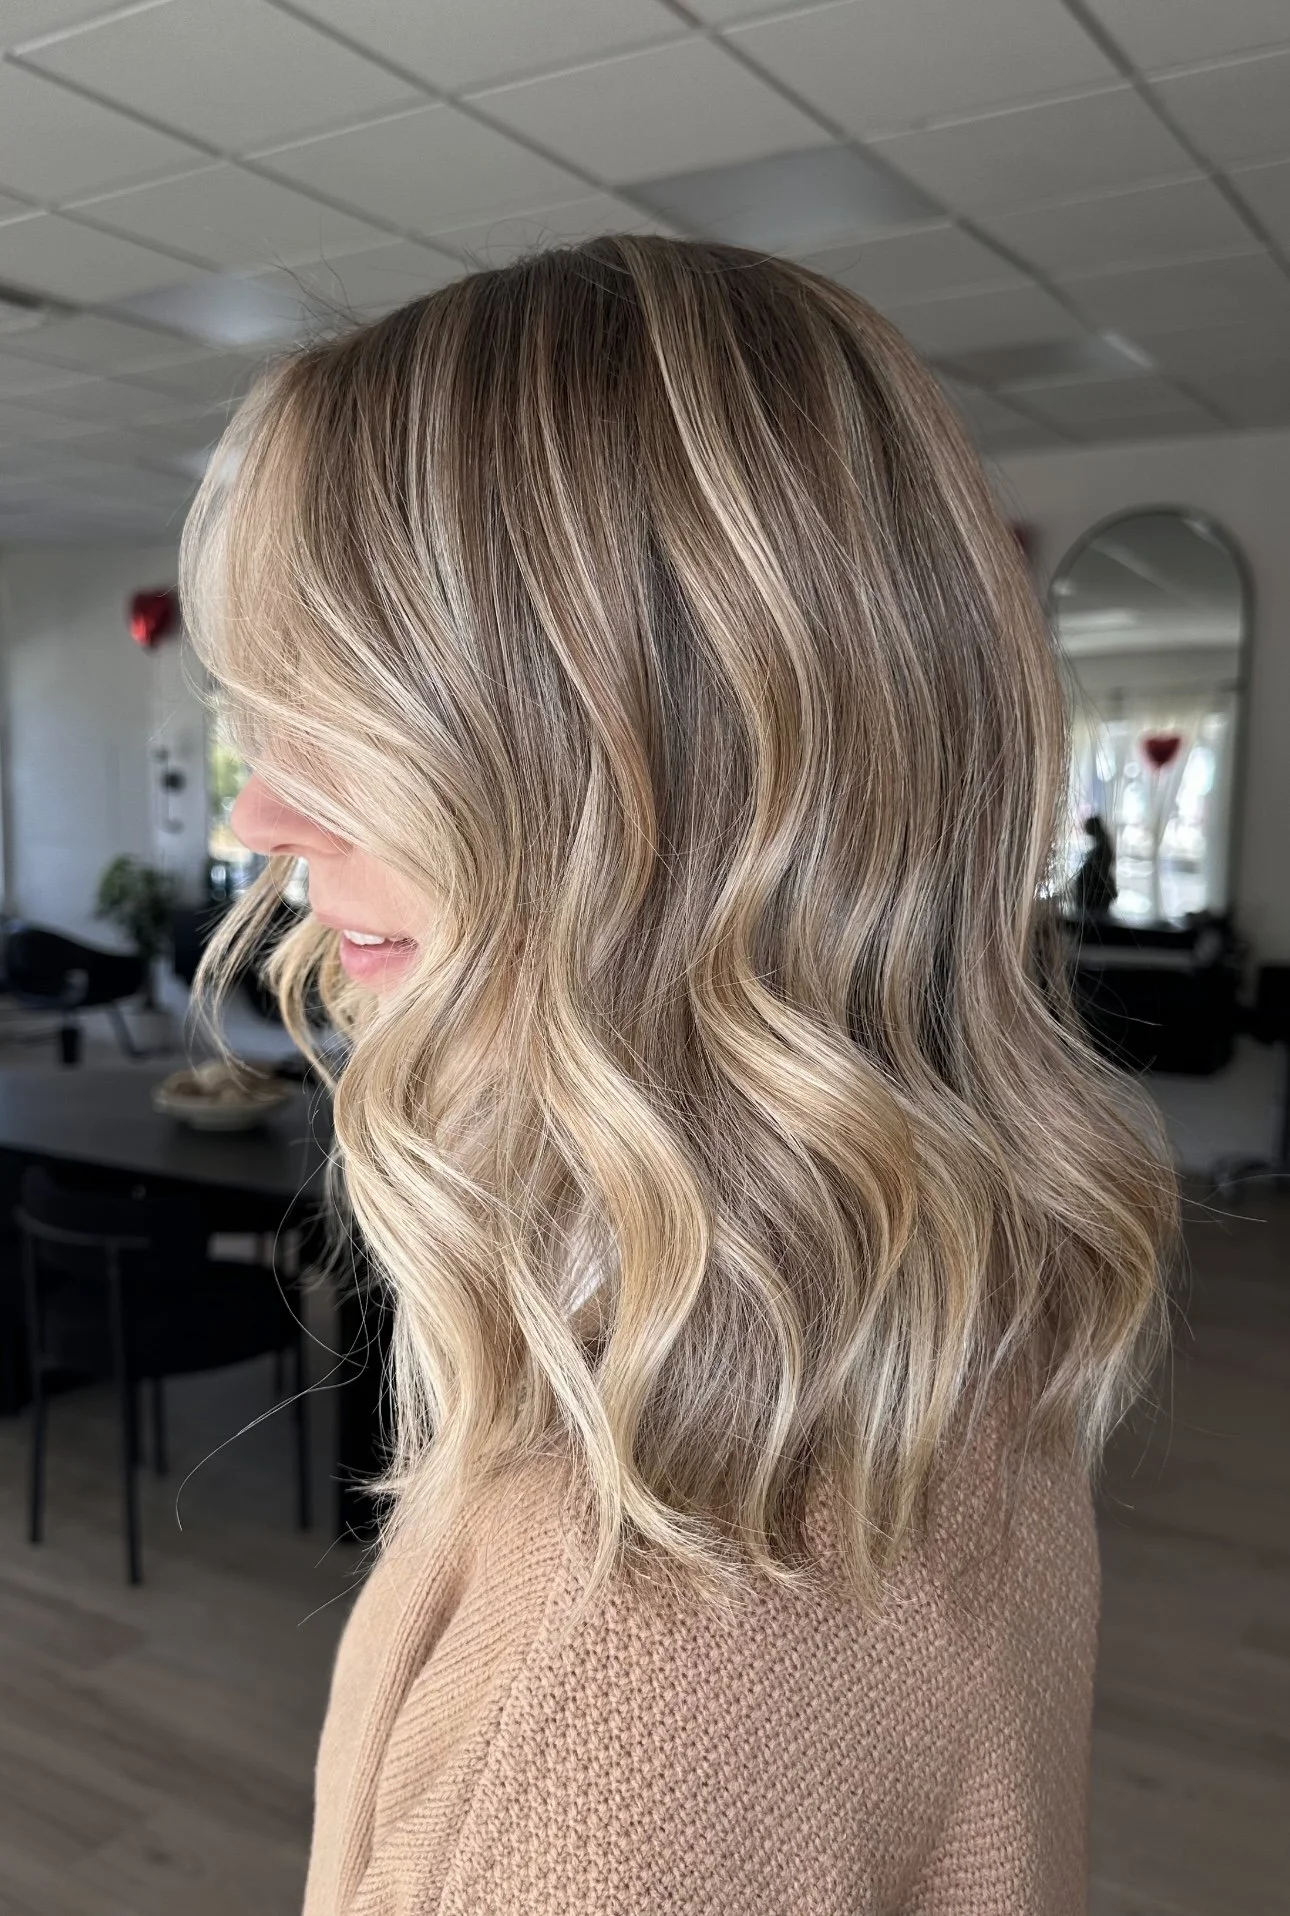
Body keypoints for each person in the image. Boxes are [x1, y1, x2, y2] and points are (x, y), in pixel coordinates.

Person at [180, 237, 1180, 1916]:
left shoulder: (590, 1741)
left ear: (656, 777)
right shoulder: (954, 1327)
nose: (257, 818)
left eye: (344, 713)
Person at [1071, 812, 1118, 918]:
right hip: (1094, 893)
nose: (1085, 829)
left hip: (1096, 894)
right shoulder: (1102, 846)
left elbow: (1101, 870)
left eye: (1088, 826)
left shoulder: (1102, 848)